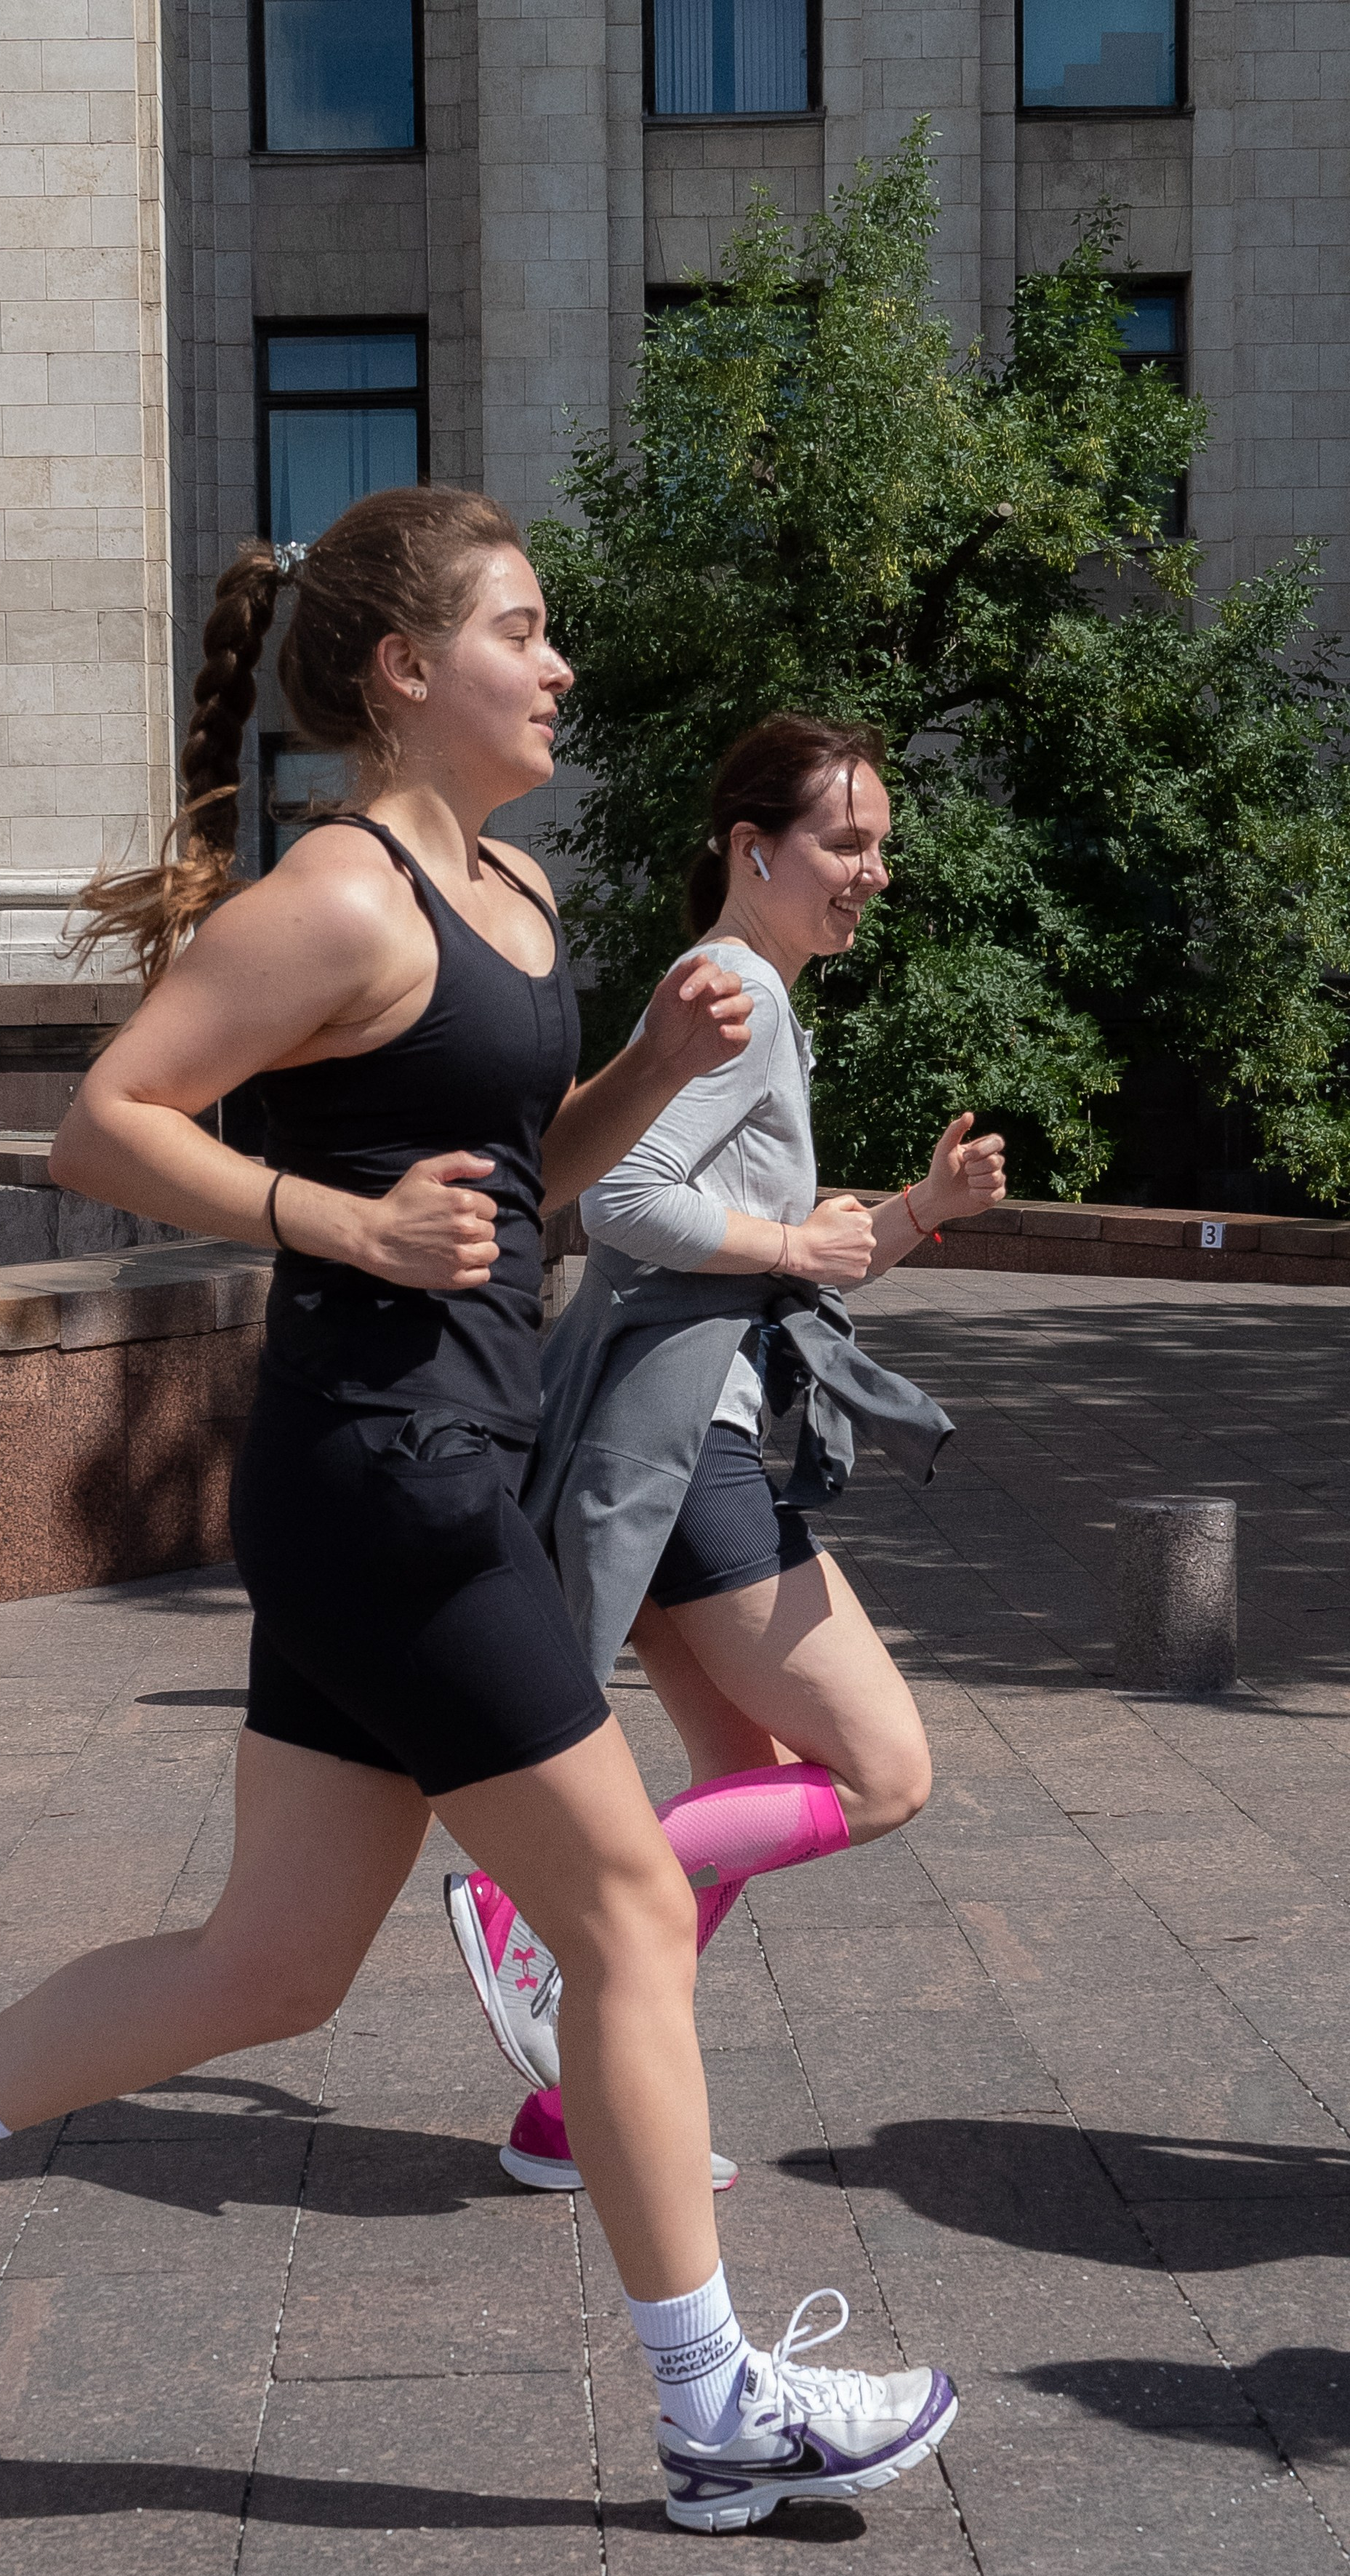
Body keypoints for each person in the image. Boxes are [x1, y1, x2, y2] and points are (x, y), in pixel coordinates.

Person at [0, 499, 957, 2532]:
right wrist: (337, 1218)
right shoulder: (346, 896)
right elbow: (103, 1119)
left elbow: (525, 1186)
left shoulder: (520, 892)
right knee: (630, 1914)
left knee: (270, 1967)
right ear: (405, 670)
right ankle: (713, 2396)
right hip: (386, 1478)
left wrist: (645, 1065)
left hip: (435, 1458)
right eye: (522, 629)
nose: (559, 666)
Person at [443, 713, 1007, 2186]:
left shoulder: (754, 987)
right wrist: (790, 1234)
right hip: (687, 1442)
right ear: (756, 851)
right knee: (884, 1772)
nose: (871, 870)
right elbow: (621, 1195)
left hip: (678, 1421)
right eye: (845, 842)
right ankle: (532, 1915)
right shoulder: (739, 985)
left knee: (741, 1766)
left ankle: (575, 2111)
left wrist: (917, 1213)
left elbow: (775, 1256)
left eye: (880, 844)